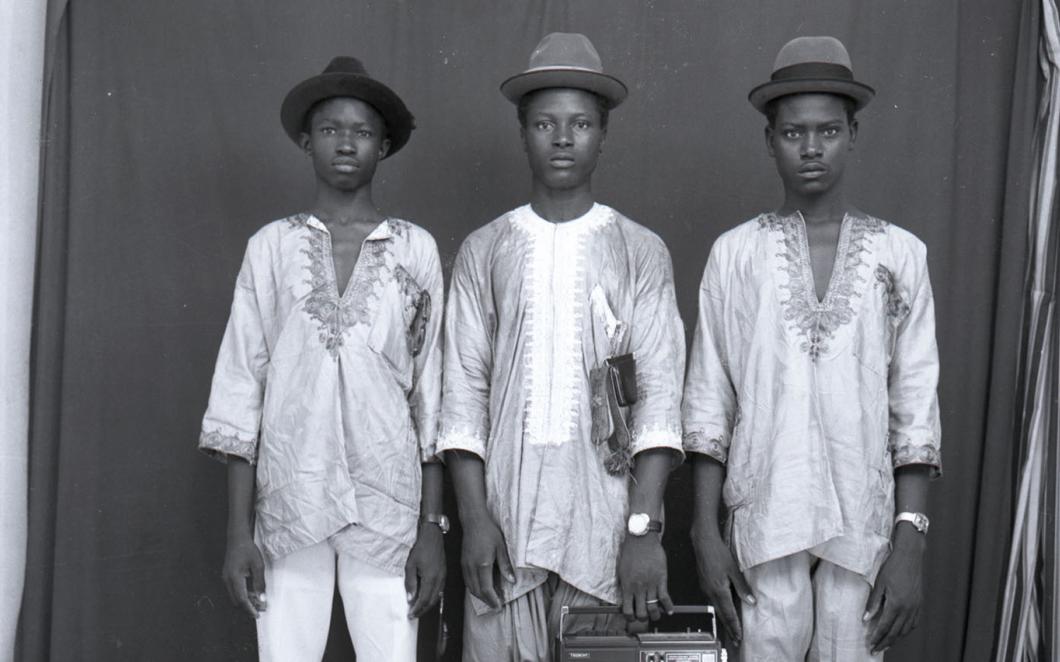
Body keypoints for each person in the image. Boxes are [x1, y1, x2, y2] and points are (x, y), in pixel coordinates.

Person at [683, 36, 941, 660]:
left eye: (827, 131)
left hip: (865, 526)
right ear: (768, 139)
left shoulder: (899, 256)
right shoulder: (735, 254)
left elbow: (915, 404)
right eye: (793, 133)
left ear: (853, 133)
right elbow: (708, 403)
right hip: (765, 517)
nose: (811, 148)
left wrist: (911, 539)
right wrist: (703, 531)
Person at [437, 32, 686, 661]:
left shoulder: (639, 250)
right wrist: (475, 522)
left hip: (605, 537)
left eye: (580, 123)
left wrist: (643, 532)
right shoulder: (484, 250)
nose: (563, 138)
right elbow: (462, 400)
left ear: (604, 133)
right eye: (545, 122)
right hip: (504, 537)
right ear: (523, 132)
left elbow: (658, 405)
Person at [198, 56, 446, 662]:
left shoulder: (415, 249)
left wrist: (431, 529)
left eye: (362, 132)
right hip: (289, 505)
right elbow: (240, 388)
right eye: (331, 129)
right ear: (307, 142)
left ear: (383, 147)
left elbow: (432, 395)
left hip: (387, 511)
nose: (346, 143)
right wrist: (239, 535)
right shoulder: (273, 248)